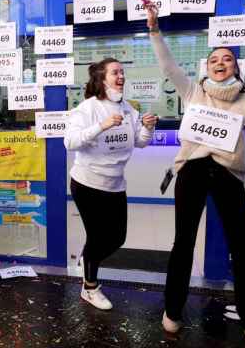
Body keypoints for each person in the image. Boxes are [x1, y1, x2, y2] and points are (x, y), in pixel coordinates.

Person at [146, 4, 245, 346]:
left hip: (228, 175)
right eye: (214, 60)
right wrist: (153, 29)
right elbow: (167, 64)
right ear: (206, 67)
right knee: (183, 244)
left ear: (236, 66)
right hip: (192, 170)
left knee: (240, 248)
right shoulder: (194, 91)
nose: (221, 63)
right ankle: (173, 311)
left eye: (227, 59)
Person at [64, 58, 158, 310]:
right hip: (87, 183)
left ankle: (87, 261)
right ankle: (90, 288)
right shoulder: (88, 108)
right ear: (102, 78)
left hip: (115, 184)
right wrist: (100, 126)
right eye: (115, 72)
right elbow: (70, 141)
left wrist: (149, 128)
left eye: (123, 72)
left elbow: (140, 141)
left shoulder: (129, 108)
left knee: (117, 237)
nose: (121, 76)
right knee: (96, 237)